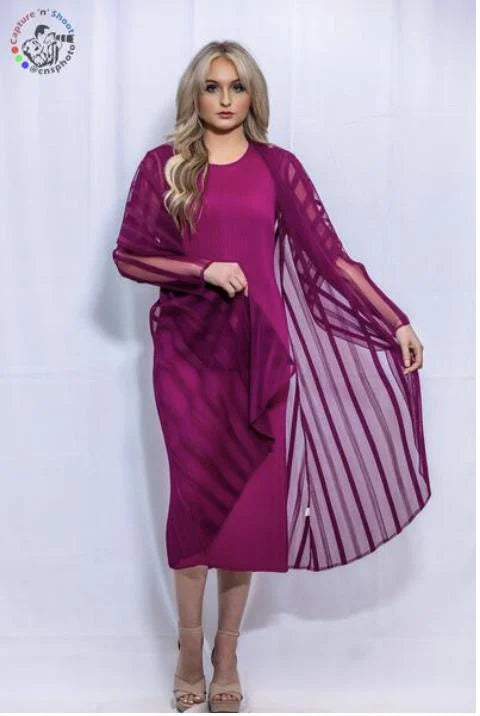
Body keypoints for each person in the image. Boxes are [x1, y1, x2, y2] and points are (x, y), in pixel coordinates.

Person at [112, 40, 429, 713]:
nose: (225, 99)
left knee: (249, 512)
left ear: (253, 95)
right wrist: (202, 269)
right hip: (190, 359)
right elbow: (130, 257)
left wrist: (395, 320)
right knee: (195, 505)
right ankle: (188, 648)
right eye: (212, 86)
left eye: (237, 87)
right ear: (195, 95)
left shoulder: (277, 167)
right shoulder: (164, 166)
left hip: (262, 360)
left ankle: (227, 656)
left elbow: (332, 258)